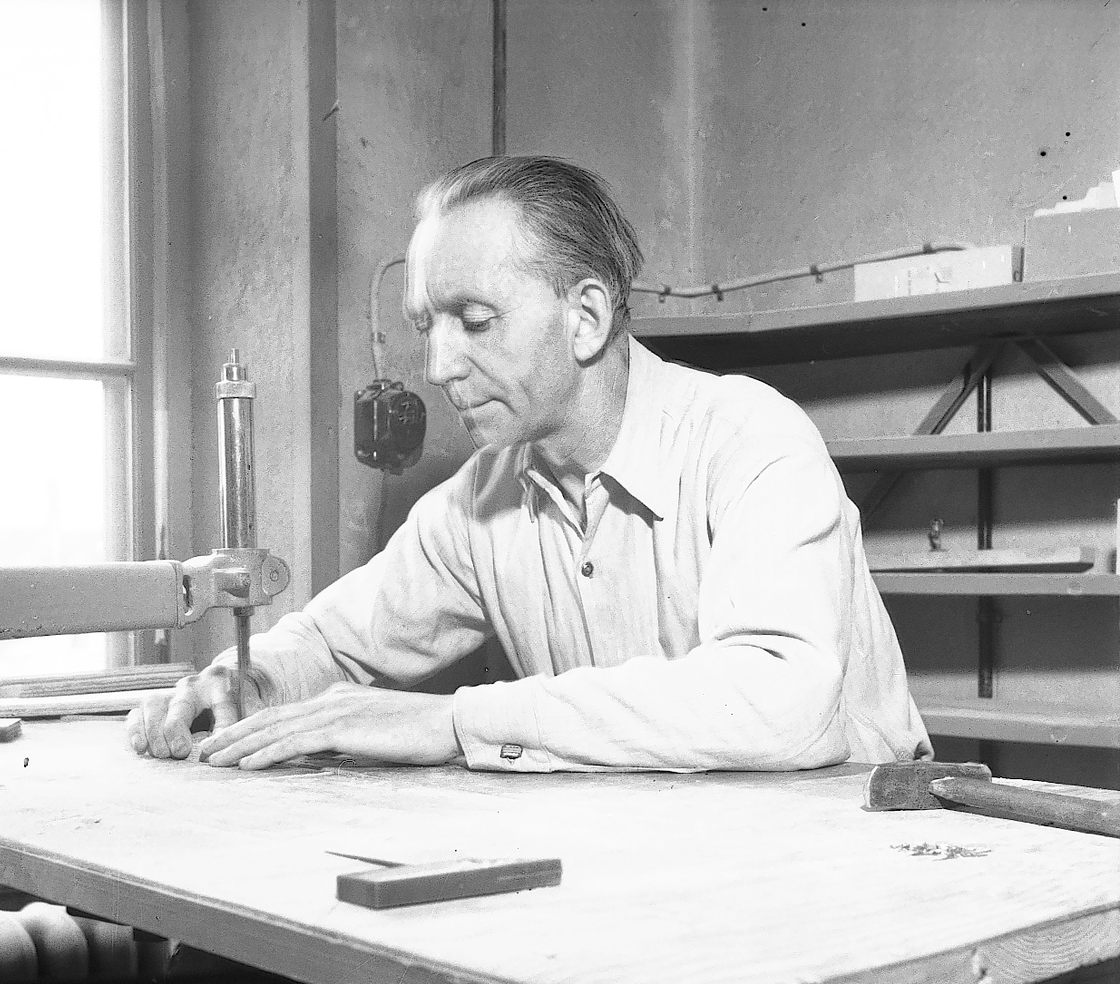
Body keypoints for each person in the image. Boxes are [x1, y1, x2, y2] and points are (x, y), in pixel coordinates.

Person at [127, 155, 931, 772]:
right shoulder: (482, 498)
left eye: (474, 321)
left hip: (853, 850)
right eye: (427, 326)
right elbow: (336, 644)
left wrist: (456, 722)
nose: (438, 367)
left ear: (585, 318)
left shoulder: (750, 441)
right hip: (663, 843)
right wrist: (249, 679)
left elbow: (779, 701)